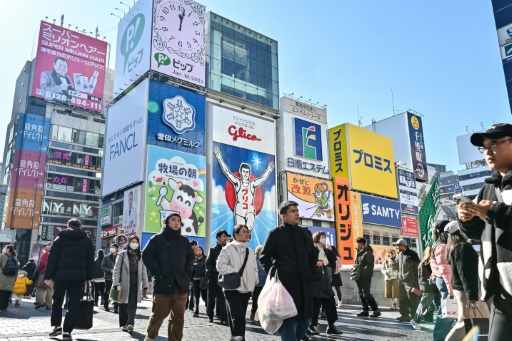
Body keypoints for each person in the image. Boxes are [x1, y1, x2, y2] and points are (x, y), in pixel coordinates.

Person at [458, 123, 512, 341]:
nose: (488, 151)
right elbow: (478, 233)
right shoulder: (488, 188)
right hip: (501, 292)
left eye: (494, 144)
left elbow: (494, 215)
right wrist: (468, 219)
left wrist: (492, 211)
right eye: (484, 147)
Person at [260, 201, 317, 341]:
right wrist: (276, 275)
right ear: (283, 216)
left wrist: (310, 272)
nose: (297, 213)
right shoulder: (275, 234)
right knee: (289, 322)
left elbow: (313, 254)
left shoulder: (305, 232)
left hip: (305, 286)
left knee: (305, 322)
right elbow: (264, 257)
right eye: (293, 211)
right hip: (286, 288)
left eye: (297, 210)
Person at [142, 212, 195, 341]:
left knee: (178, 318)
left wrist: (187, 273)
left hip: (181, 285)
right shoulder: (157, 239)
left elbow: (190, 258)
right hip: (163, 284)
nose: (176, 222)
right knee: (159, 314)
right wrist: (157, 271)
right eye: (173, 220)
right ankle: (150, 336)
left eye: (178, 220)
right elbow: (146, 255)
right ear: (167, 222)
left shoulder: (184, 240)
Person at [45, 219, 94, 340]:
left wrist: (48, 276)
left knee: (57, 300)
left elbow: (52, 259)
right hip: (78, 277)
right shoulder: (87, 240)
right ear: (80, 227)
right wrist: (88, 277)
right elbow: (90, 261)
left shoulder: (60, 238)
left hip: (61, 276)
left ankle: (57, 327)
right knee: (73, 304)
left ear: (68, 226)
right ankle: (67, 331)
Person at [213, 147, 274, 237]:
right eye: (244, 171)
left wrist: (269, 170)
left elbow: (262, 179)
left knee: (249, 225)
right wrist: (219, 158)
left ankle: (248, 235)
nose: (245, 174)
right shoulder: (237, 182)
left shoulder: (252, 184)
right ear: (241, 172)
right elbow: (227, 172)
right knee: (239, 231)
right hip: (239, 210)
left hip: (249, 209)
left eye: (247, 172)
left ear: (250, 173)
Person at [445, 222, 489, 341]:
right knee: (470, 321)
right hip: (467, 290)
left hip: (462, 289)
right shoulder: (462, 247)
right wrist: (472, 295)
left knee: (465, 321)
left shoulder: (455, 246)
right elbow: (466, 273)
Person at [217, 224, 259, 341]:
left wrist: (255, 279)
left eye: (247, 231)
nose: (246, 233)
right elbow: (220, 266)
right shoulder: (228, 248)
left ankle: (235, 337)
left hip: (246, 288)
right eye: (243, 231)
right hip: (232, 288)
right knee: (238, 317)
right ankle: (240, 338)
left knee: (235, 317)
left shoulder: (250, 251)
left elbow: (255, 268)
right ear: (236, 234)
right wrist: (235, 273)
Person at [113, 235, 148, 334]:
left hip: (136, 283)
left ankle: (130, 323)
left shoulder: (140, 255)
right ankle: (124, 323)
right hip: (124, 282)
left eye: (136, 242)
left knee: (132, 304)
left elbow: (144, 271)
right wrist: (115, 283)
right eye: (133, 241)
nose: (135, 243)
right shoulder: (122, 254)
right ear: (129, 243)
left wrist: (145, 284)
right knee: (123, 304)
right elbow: (116, 270)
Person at [309, 231, 343, 335]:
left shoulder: (326, 249)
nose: (324, 238)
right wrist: (315, 263)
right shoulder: (312, 248)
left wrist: (332, 252)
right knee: (315, 304)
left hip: (325, 279)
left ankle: (331, 326)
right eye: (322, 237)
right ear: (317, 238)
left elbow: (332, 263)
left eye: (324, 236)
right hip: (315, 280)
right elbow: (307, 262)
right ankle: (311, 326)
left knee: (330, 302)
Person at [430, 220, 455, 341]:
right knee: (447, 312)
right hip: (446, 281)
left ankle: (445, 336)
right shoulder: (443, 245)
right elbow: (445, 268)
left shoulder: (437, 243)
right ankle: (439, 338)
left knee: (448, 311)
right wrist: (450, 289)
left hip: (443, 280)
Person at [410, 245, 440, 330]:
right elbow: (423, 278)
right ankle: (415, 320)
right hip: (429, 288)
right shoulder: (425, 263)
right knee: (424, 305)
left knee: (438, 305)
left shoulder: (428, 262)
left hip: (433, 288)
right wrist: (429, 283)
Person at [394, 238, 420, 322]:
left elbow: (417, 268)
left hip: (410, 281)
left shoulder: (412, 254)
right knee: (402, 299)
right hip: (401, 280)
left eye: (397, 245)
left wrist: (415, 282)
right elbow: (398, 267)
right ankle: (404, 315)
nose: (396, 247)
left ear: (403, 245)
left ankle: (413, 315)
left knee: (412, 299)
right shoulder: (399, 255)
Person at [206, 229, 229, 324]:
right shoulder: (213, 250)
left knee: (223, 299)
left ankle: (224, 318)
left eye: (226, 236)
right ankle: (210, 315)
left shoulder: (228, 249)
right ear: (218, 238)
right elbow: (208, 264)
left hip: (224, 278)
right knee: (211, 298)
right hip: (213, 278)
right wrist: (213, 272)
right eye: (223, 236)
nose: (225, 238)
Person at [353, 237, 381, 318]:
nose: (357, 245)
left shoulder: (368, 253)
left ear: (361, 243)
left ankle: (376, 310)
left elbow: (369, 266)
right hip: (359, 276)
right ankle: (365, 310)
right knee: (361, 294)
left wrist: (362, 274)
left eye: (357, 243)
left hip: (365, 276)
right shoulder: (359, 252)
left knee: (366, 294)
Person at [249, 245, 267, 321]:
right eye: (260, 250)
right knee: (255, 301)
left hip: (265, 285)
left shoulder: (267, 259)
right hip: (257, 284)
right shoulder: (254, 260)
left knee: (264, 302)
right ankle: (253, 312)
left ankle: (261, 317)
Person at [0, 245, 19, 312]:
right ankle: (5, 307)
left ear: (7, 249)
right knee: (7, 293)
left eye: (5, 248)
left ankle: (1, 307)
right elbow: (16, 270)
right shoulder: (15, 258)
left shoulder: (2, 256)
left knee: (1, 292)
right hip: (11, 278)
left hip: (2, 277)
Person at [102, 243, 119, 313]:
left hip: (117, 278)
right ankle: (106, 305)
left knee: (116, 292)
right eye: (111, 247)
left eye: (113, 247)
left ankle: (116, 308)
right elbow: (103, 266)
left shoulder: (119, 257)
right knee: (107, 292)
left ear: (117, 249)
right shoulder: (106, 257)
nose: (111, 248)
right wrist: (109, 270)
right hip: (108, 277)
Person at [35, 242, 53, 309]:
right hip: (51, 273)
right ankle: (49, 305)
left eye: (46, 246)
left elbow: (42, 263)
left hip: (43, 272)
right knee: (49, 289)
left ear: (49, 247)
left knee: (40, 287)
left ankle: (40, 301)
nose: (45, 247)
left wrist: (39, 268)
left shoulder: (46, 254)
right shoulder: (55, 254)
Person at [191, 246, 207, 317]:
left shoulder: (206, 259)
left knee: (204, 296)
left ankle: (208, 306)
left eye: (199, 250)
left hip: (203, 281)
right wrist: (191, 279)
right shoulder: (194, 260)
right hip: (195, 281)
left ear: (202, 250)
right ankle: (196, 311)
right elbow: (191, 271)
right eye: (196, 251)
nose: (198, 252)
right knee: (195, 296)